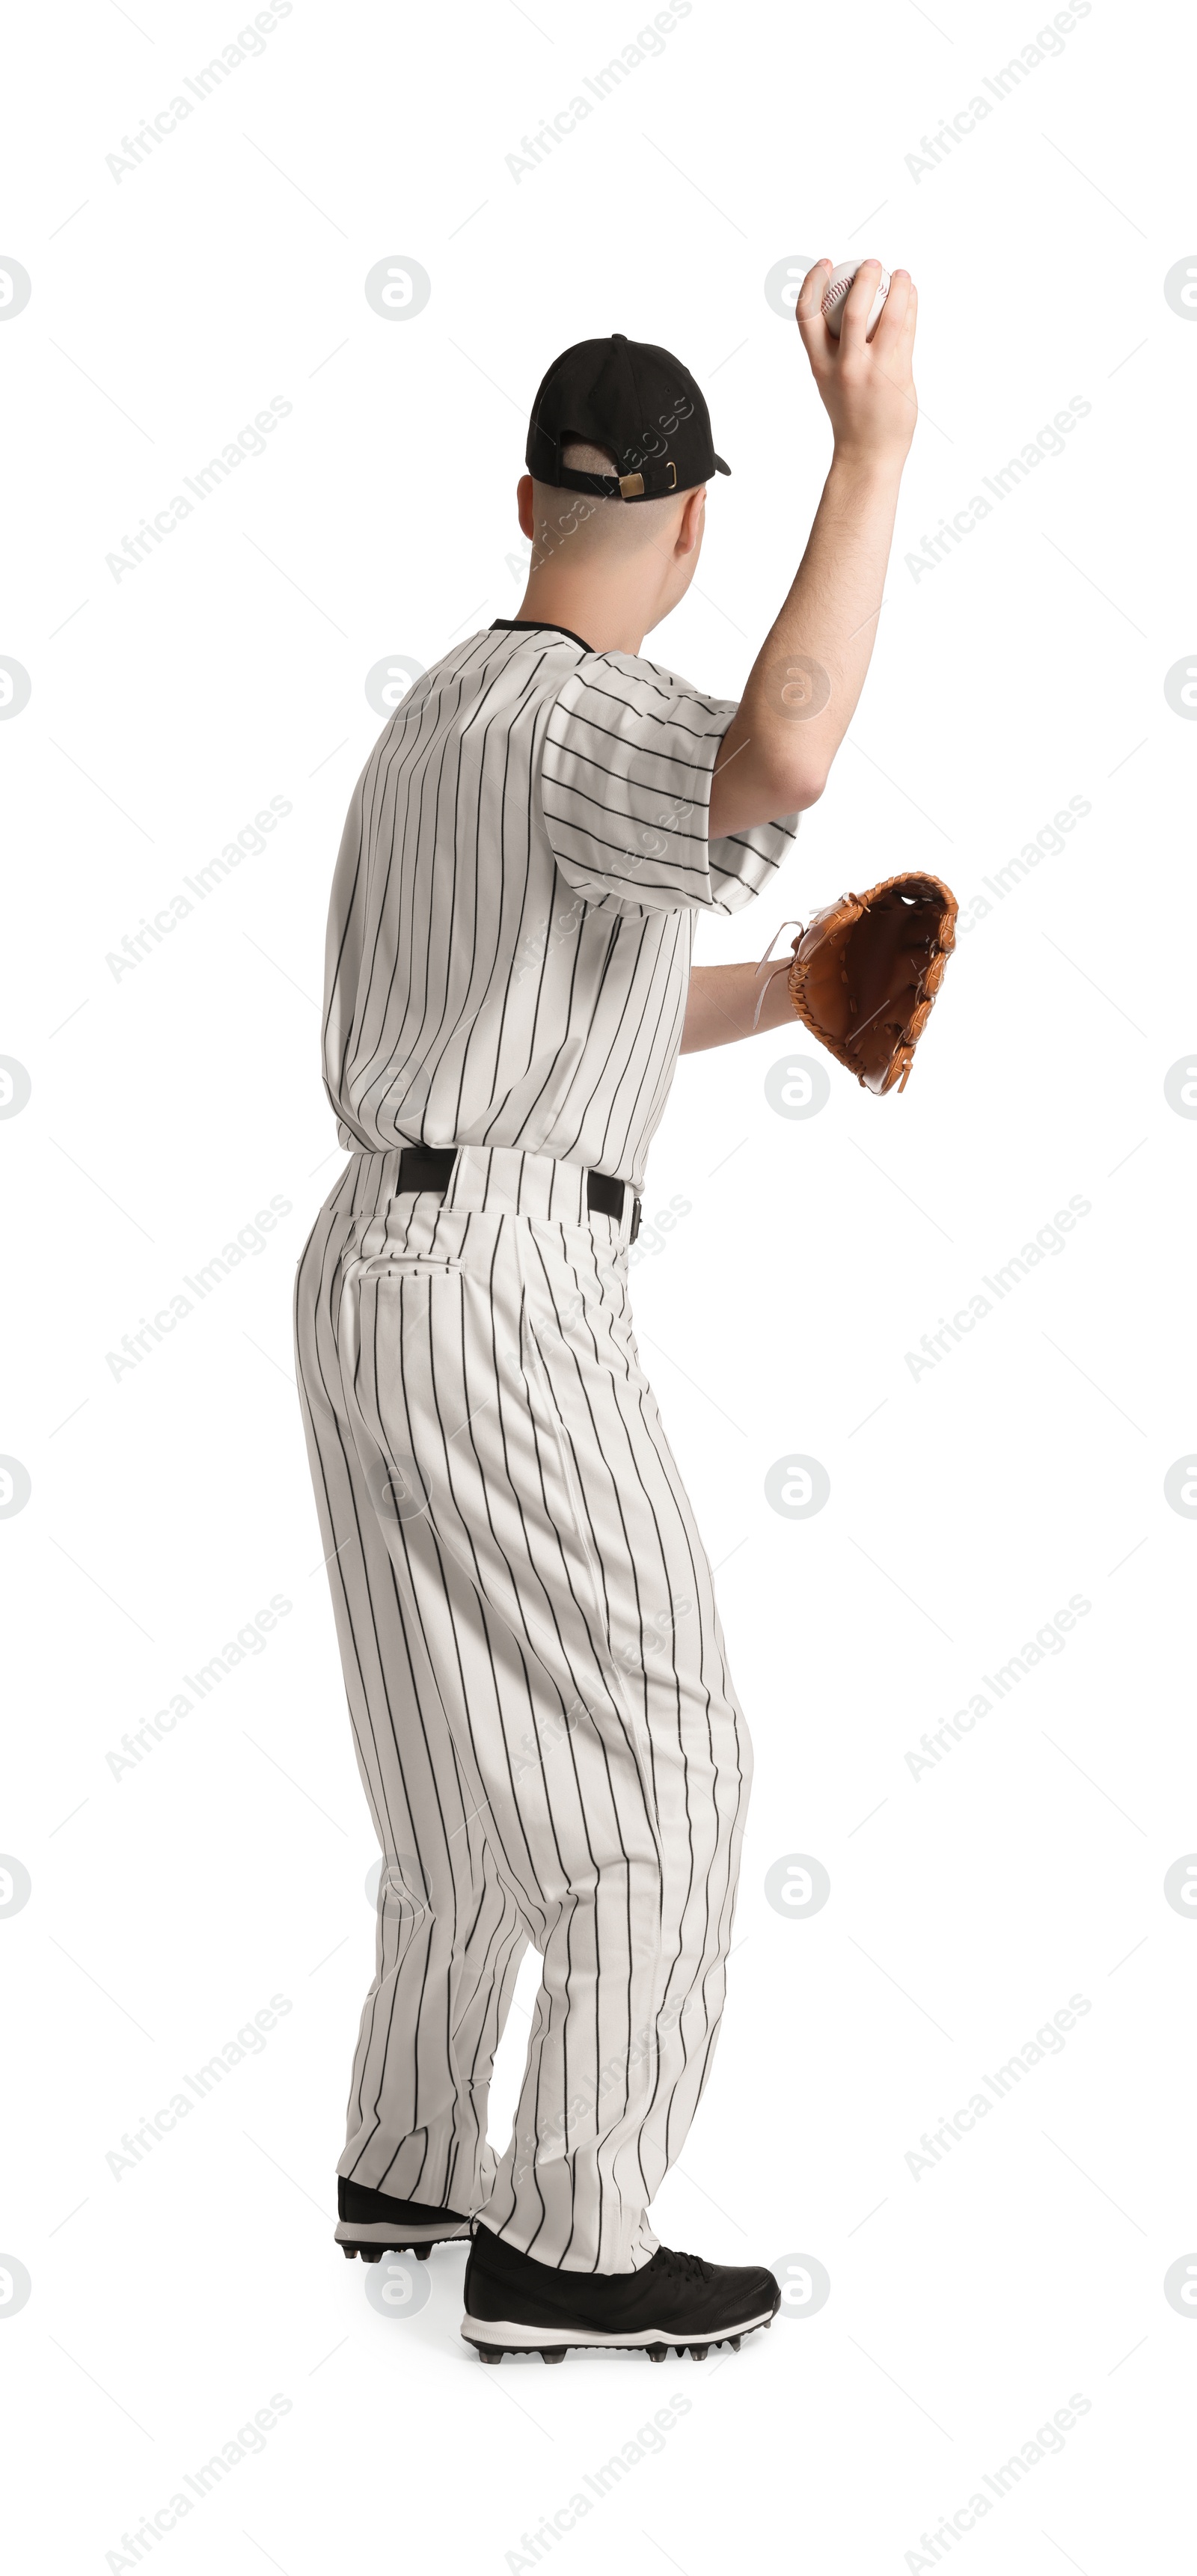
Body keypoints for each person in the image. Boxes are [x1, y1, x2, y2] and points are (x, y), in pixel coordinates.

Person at [293, 257, 919, 2361]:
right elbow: (777, 746)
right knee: (667, 1753)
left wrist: (790, 993)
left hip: (367, 1265)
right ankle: (570, 2235)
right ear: (691, 521)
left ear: (527, 494)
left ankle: (412, 2142)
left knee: (454, 1757)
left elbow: (565, 1000)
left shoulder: (445, 714)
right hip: (505, 1288)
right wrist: (880, 448)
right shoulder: (587, 716)